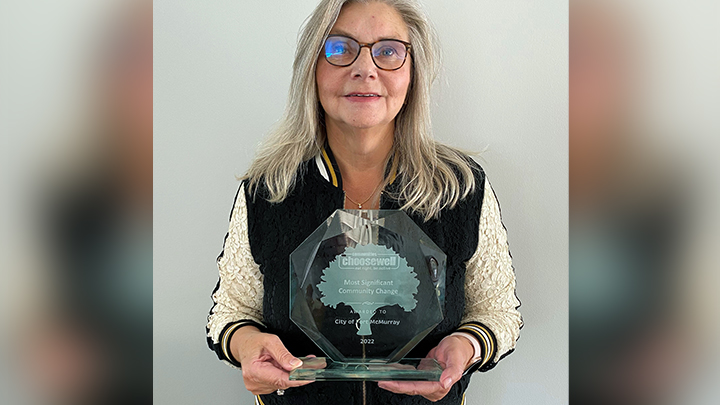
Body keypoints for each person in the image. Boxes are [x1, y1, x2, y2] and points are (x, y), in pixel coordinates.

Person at [206, 1, 522, 403]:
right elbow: (230, 312)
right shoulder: (269, 190)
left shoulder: (461, 188)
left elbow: (498, 311)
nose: (365, 69)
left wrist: (468, 344)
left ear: (413, 73)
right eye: (340, 48)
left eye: (388, 51)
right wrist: (245, 345)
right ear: (312, 67)